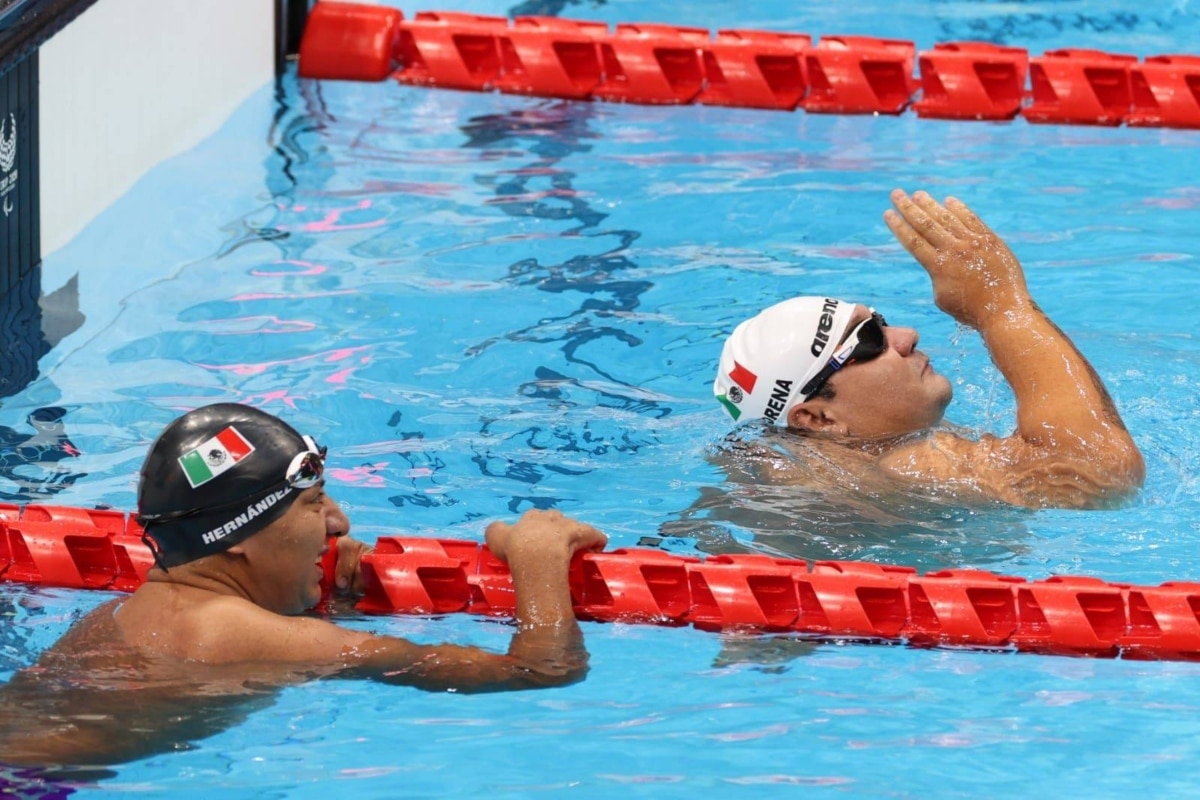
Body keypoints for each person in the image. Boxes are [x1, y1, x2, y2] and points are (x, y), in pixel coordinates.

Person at [0, 403, 607, 776]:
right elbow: (541, 671)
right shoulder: (287, 643)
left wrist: (326, 599)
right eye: (314, 505)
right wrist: (538, 559)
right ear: (240, 536)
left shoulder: (112, 618)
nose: (339, 523)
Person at [711, 189, 1145, 511]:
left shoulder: (790, 471)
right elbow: (1103, 471)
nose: (906, 335)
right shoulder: (900, 468)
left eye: (880, 321)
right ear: (817, 418)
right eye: (870, 341)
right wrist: (1001, 308)